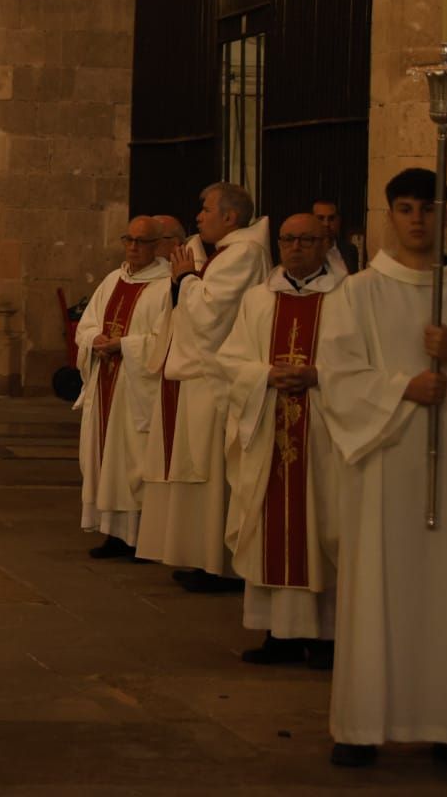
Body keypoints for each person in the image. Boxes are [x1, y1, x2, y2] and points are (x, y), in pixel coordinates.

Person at [317, 168, 447, 770]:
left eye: (429, 208)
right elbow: (336, 375)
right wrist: (402, 387)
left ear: (446, 216)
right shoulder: (359, 292)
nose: (417, 220)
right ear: (390, 215)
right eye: (406, 208)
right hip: (385, 463)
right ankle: (363, 725)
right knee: (376, 587)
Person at [218, 212, 342, 669]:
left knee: (323, 525)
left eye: (306, 239)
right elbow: (230, 361)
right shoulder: (257, 299)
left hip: (324, 435)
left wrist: (318, 376)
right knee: (271, 525)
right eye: (288, 240)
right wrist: (265, 375)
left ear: (325, 243)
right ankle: (279, 635)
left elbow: (362, 365)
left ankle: (327, 636)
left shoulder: (347, 299)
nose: (295, 248)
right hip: (269, 424)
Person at [136, 182, 270, 592]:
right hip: (196, 375)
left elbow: (212, 315)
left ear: (230, 217)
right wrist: (187, 278)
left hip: (214, 378)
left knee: (214, 476)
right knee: (198, 473)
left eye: (206, 209)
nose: (199, 216)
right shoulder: (226, 253)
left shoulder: (244, 254)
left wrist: (185, 280)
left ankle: (220, 564)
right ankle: (201, 556)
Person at [74, 216, 172, 557]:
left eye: (141, 241)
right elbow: (86, 324)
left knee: (134, 461)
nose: (132, 247)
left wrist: (124, 345)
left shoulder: (166, 286)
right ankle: (113, 533)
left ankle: (140, 537)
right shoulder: (113, 279)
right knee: (105, 459)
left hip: (136, 392)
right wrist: (93, 338)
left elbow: (165, 341)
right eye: (128, 239)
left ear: (158, 246)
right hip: (105, 384)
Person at [313, 198, 359, 277]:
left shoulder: (349, 250)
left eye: (331, 218)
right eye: (320, 218)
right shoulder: (303, 251)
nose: (326, 224)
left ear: (338, 221)